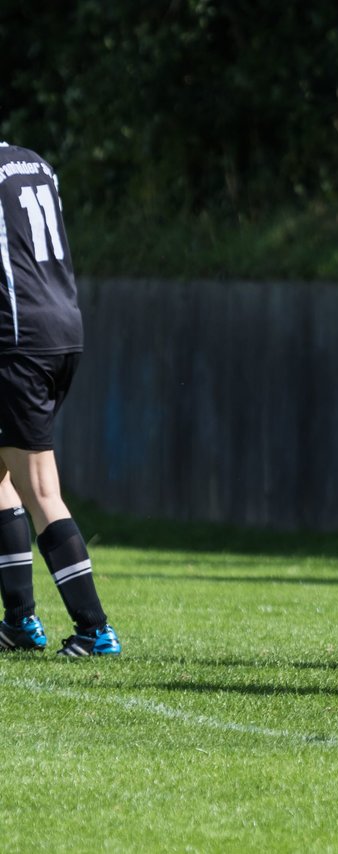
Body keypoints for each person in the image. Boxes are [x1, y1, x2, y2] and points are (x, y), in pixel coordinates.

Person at [0, 141, 120, 657]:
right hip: (61, 328)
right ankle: (19, 622)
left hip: (16, 338)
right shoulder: (34, 163)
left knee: (40, 487)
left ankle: (94, 630)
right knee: (4, 476)